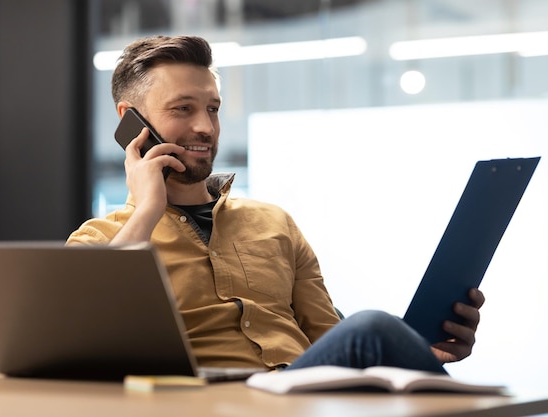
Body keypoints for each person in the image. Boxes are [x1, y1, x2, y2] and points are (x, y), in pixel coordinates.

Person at [67, 35, 485, 374]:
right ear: (130, 120)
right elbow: (81, 331)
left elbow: (330, 337)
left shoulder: (273, 222)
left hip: (303, 396)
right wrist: (147, 210)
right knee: (375, 324)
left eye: (212, 109)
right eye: (183, 109)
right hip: (207, 401)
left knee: (380, 329)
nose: (204, 126)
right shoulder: (100, 241)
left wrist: (411, 355)